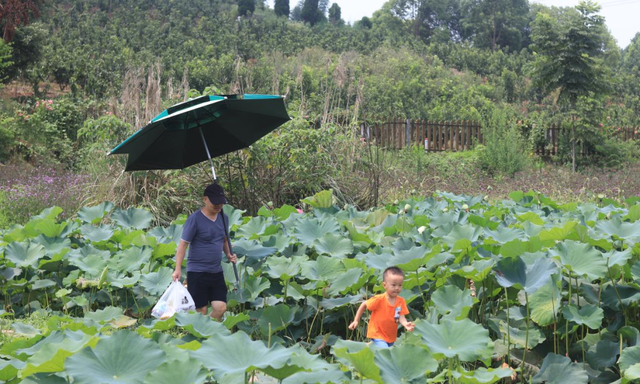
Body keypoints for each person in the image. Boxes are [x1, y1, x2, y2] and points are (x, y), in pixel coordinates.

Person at [172, 182, 237, 321]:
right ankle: (201, 337)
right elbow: (183, 244)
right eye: (215, 203)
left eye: (221, 203)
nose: (219, 206)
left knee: (221, 308)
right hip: (197, 271)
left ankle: (207, 329)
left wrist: (229, 255)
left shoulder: (224, 218)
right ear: (205, 199)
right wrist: (178, 269)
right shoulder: (195, 219)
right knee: (200, 309)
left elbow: (224, 240)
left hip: (216, 271)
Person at [348, 266, 414, 347]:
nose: (397, 288)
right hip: (377, 333)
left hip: (390, 336)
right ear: (384, 285)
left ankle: (363, 346)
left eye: (400, 285)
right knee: (385, 353)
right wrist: (356, 320)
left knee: (379, 353)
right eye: (393, 285)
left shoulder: (401, 301)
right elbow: (364, 304)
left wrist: (405, 324)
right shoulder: (379, 299)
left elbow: (400, 315)